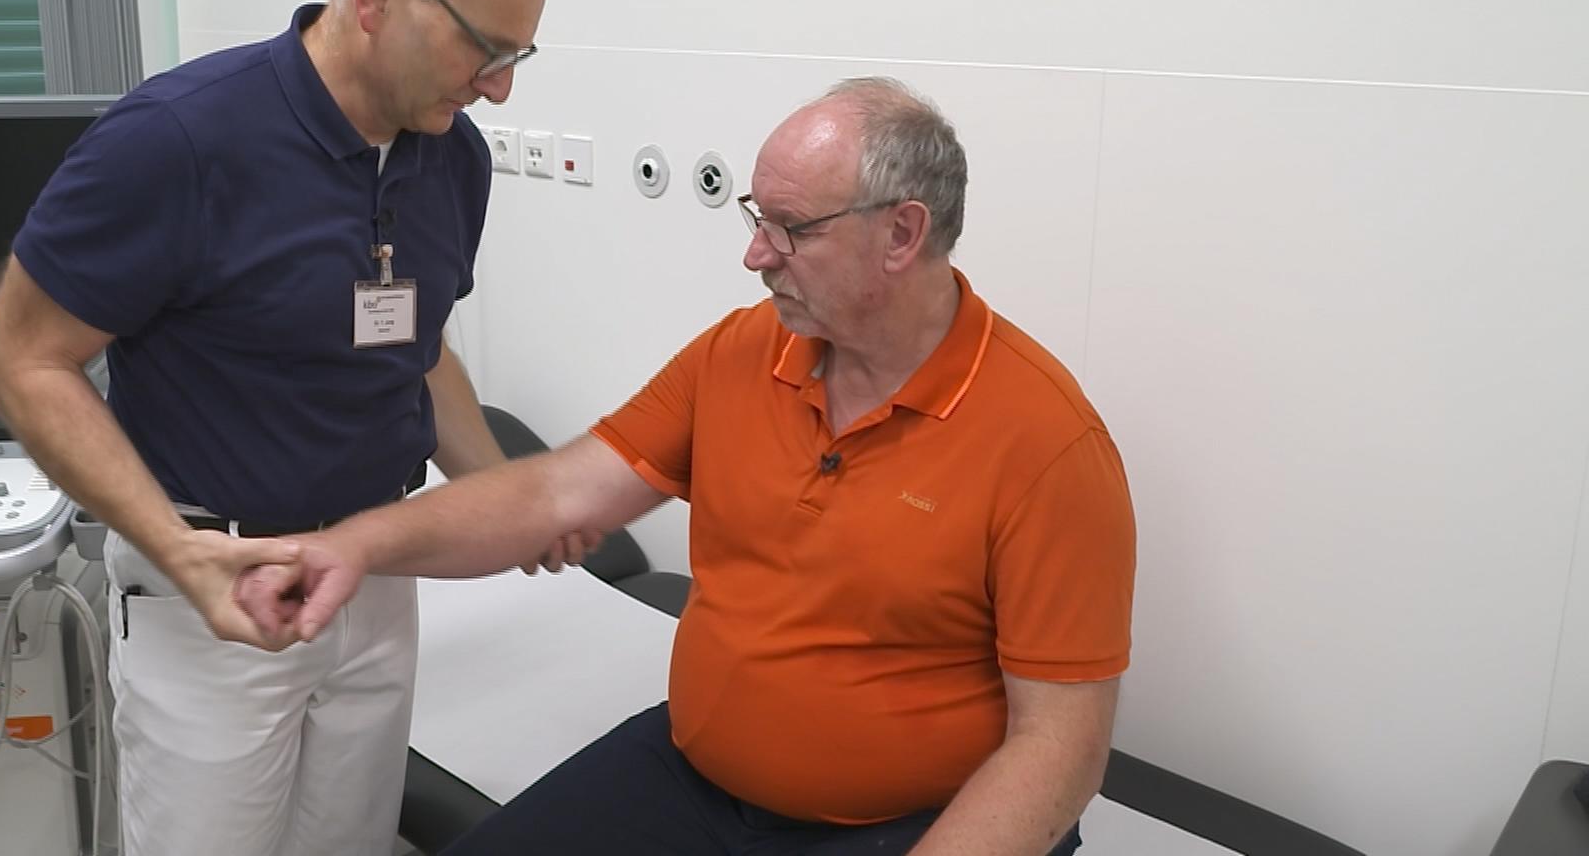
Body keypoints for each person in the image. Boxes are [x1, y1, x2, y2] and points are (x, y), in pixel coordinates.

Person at [238, 77, 1138, 855]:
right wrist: (354, 547)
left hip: (905, 823)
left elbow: (1060, 747)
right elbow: (556, 492)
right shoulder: (743, 353)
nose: (755, 253)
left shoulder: (1044, 444)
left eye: (790, 229)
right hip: (695, 776)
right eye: (755, 217)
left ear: (902, 234)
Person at [0, 0, 581, 856]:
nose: (500, 87)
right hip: (214, 587)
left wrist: (506, 496)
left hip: (376, 576)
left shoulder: (453, 156)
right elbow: (24, 361)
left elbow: (415, 345)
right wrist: (180, 556)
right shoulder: (177, 140)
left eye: (517, 55)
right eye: (484, 48)